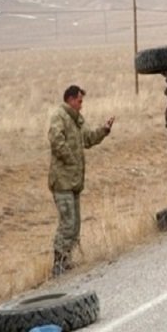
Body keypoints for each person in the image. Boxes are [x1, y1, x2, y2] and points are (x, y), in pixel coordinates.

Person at [48, 85, 115, 276]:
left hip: (74, 182)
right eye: (79, 101)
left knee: (75, 224)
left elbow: (88, 139)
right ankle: (58, 263)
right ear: (70, 99)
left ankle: (67, 260)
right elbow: (55, 141)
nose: (81, 105)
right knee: (67, 222)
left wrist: (104, 130)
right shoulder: (59, 116)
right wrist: (71, 160)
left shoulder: (77, 120)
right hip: (62, 182)